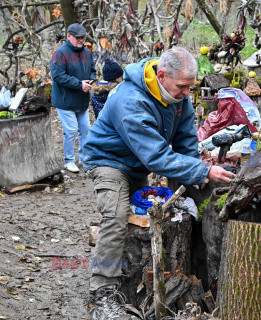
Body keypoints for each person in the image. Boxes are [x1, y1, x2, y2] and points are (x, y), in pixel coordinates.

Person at [81, 47, 235, 320]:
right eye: (183, 86)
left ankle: (143, 279)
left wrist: (195, 176)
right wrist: (202, 172)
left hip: (137, 163)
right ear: (161, 76)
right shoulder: (130, 100)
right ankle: (103, 293)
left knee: (151, 220)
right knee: (116, 217)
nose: (188, 93)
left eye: (191, 87)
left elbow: (186, 143)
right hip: (108, 161)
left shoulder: (179, 98)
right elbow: (155, 156)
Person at [50, 23, 96, 173]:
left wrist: (91, 80)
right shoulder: (60, 53)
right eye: (77, 37)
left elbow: (93, 70)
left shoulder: (87, 53)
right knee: (71, 130)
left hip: (82, 100)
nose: (81, 40)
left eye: (82, 37)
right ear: (69, 36)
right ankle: (69, 160)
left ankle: (84, 158)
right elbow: (58, 76)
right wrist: (78, 84)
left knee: (86, 130)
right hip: (64, 101)